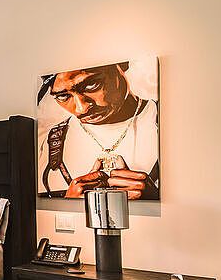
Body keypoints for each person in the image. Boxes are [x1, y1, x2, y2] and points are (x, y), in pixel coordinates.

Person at [38, 62, 159, 199]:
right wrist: (69, 203)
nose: (81, 108)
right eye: (63, 96)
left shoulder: (172, 122)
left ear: (121, 65)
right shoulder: (49, 144)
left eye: (92, 85)